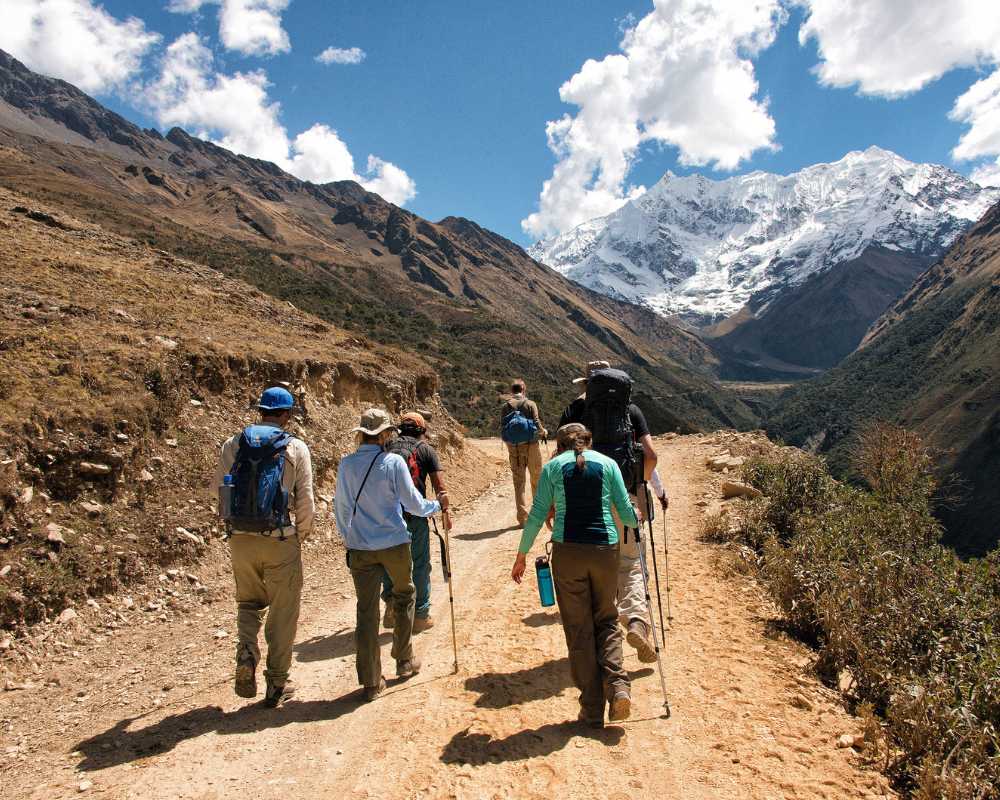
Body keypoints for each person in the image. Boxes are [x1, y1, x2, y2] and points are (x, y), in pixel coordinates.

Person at [511, 423, 639, 728]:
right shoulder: (608, 465)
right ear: (589, 442)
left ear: (559, 446)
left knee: (578, 628)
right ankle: (619, 686)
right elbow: (625, 511)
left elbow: (538, 513)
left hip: (568, 552)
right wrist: (639, 519)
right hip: (605, 549)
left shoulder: (554, 468)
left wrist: (521, 555)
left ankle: (592, 708)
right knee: (606, 619)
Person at [334, 408, 446, 701]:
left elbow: (342, 509)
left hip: (360, 547)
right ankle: (404, 659)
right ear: (383, 435)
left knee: (366, 611)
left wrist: (349, 539)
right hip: (394, 544)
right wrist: (436, 507)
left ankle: (371, 682)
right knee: (405, 594)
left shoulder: (346, 465)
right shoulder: (393, 462)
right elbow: (413, 504)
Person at [216, 386, 315, 707]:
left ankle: (246, 653)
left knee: (248, 603)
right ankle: (276, 682)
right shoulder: (295, 447)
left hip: (241, 539)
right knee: (283, 612)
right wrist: (299, 535)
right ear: (286, 415)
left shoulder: (233, 444)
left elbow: (219, 492)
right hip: (280, 538)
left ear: (261, 410)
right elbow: (305, 502)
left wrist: (233, 529)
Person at [559, 361, 660, 664]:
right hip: (623, 497)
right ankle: (636, 621)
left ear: (586, 385)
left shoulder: (574, 413)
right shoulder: (631, 412)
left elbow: (558, 462)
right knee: (629, 564)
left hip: (581, 505)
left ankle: (598, 645)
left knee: (589, 572)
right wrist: (639, 486)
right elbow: (651, 456)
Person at [381, 411, 450, 632]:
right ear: (423, 430)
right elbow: (440, 487)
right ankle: (420, 615)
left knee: (389, 563)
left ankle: (392, 607)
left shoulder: (387, 447)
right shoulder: (426, 450)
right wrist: (445, 512)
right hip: (415, 516)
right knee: (419, 564)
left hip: (388, 516)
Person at [499, 378, 548, 526]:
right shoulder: (530, 404)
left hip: (514, 447)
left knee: (519, 482)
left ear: (511, 390)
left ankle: (522, 518)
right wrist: (543, 432)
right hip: (531, 445)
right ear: (523, 389)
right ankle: (538, 515)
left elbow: (502, 428)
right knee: (536, 479)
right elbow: (537, 422)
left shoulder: (505, 406)